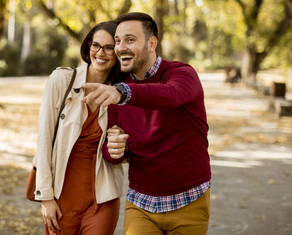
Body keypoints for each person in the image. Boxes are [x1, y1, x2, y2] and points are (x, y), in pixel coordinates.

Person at [81, 12, 211, 234]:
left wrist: (123, 92)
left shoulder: (181, 74)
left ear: (152, 44)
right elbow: (111, 151)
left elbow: (170, 95)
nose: (122, 47)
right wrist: (114, 149)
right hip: (141, 203)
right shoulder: (118, 90)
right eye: (119, 41)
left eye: (130, 40)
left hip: (190, 199)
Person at [33, 21, 127, 235]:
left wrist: (121, 141)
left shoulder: (121, 94)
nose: (101, 53)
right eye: (96, 45)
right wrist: (46, 197)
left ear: (118, 52)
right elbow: (44, 140)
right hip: (61, 194)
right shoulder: (61, 80)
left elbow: (130, 146)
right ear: (88, 46)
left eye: (110, 47)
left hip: (103, 197)